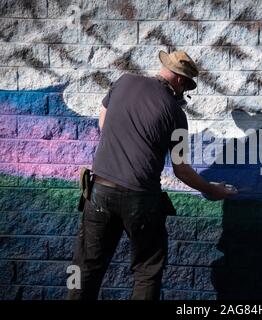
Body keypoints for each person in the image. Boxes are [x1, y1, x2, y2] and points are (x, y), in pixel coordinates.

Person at [67, 50, 237, 300]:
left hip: (100, 191)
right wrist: (212, 189)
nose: (184, 93)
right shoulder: (177, 116)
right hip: (141, 200)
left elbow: (103, 123)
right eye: (187, 86)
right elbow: (181, 169)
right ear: (179, 80)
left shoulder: (123, 82)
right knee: (147, 270)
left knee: (84, 267)